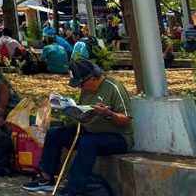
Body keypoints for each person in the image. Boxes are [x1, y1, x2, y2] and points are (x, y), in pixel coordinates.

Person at [22, 60, 133, 194]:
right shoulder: (86, 90)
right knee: (54, 134)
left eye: (81, 84)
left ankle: (74, 189)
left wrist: (108, 114)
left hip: (118, 138)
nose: (81, 88)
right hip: (89, 130)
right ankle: (46, 178)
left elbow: (126, 120)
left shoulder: (113, 87)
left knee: (88, 143)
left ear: (93, 78)